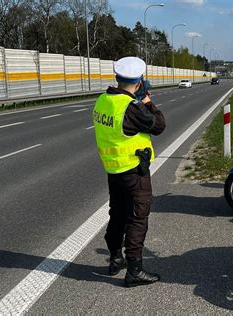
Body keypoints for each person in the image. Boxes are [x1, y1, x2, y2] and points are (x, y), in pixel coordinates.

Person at [93, 56, 165, 287]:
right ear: (139, 80)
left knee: (118, 214)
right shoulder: (131, 107)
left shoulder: (103, 100)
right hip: (134, 170)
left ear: (117, 77)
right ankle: (134, 270)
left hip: (113, 168)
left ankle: (116, 258)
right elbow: (159, 125)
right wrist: (147, 103)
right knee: (137, 218)